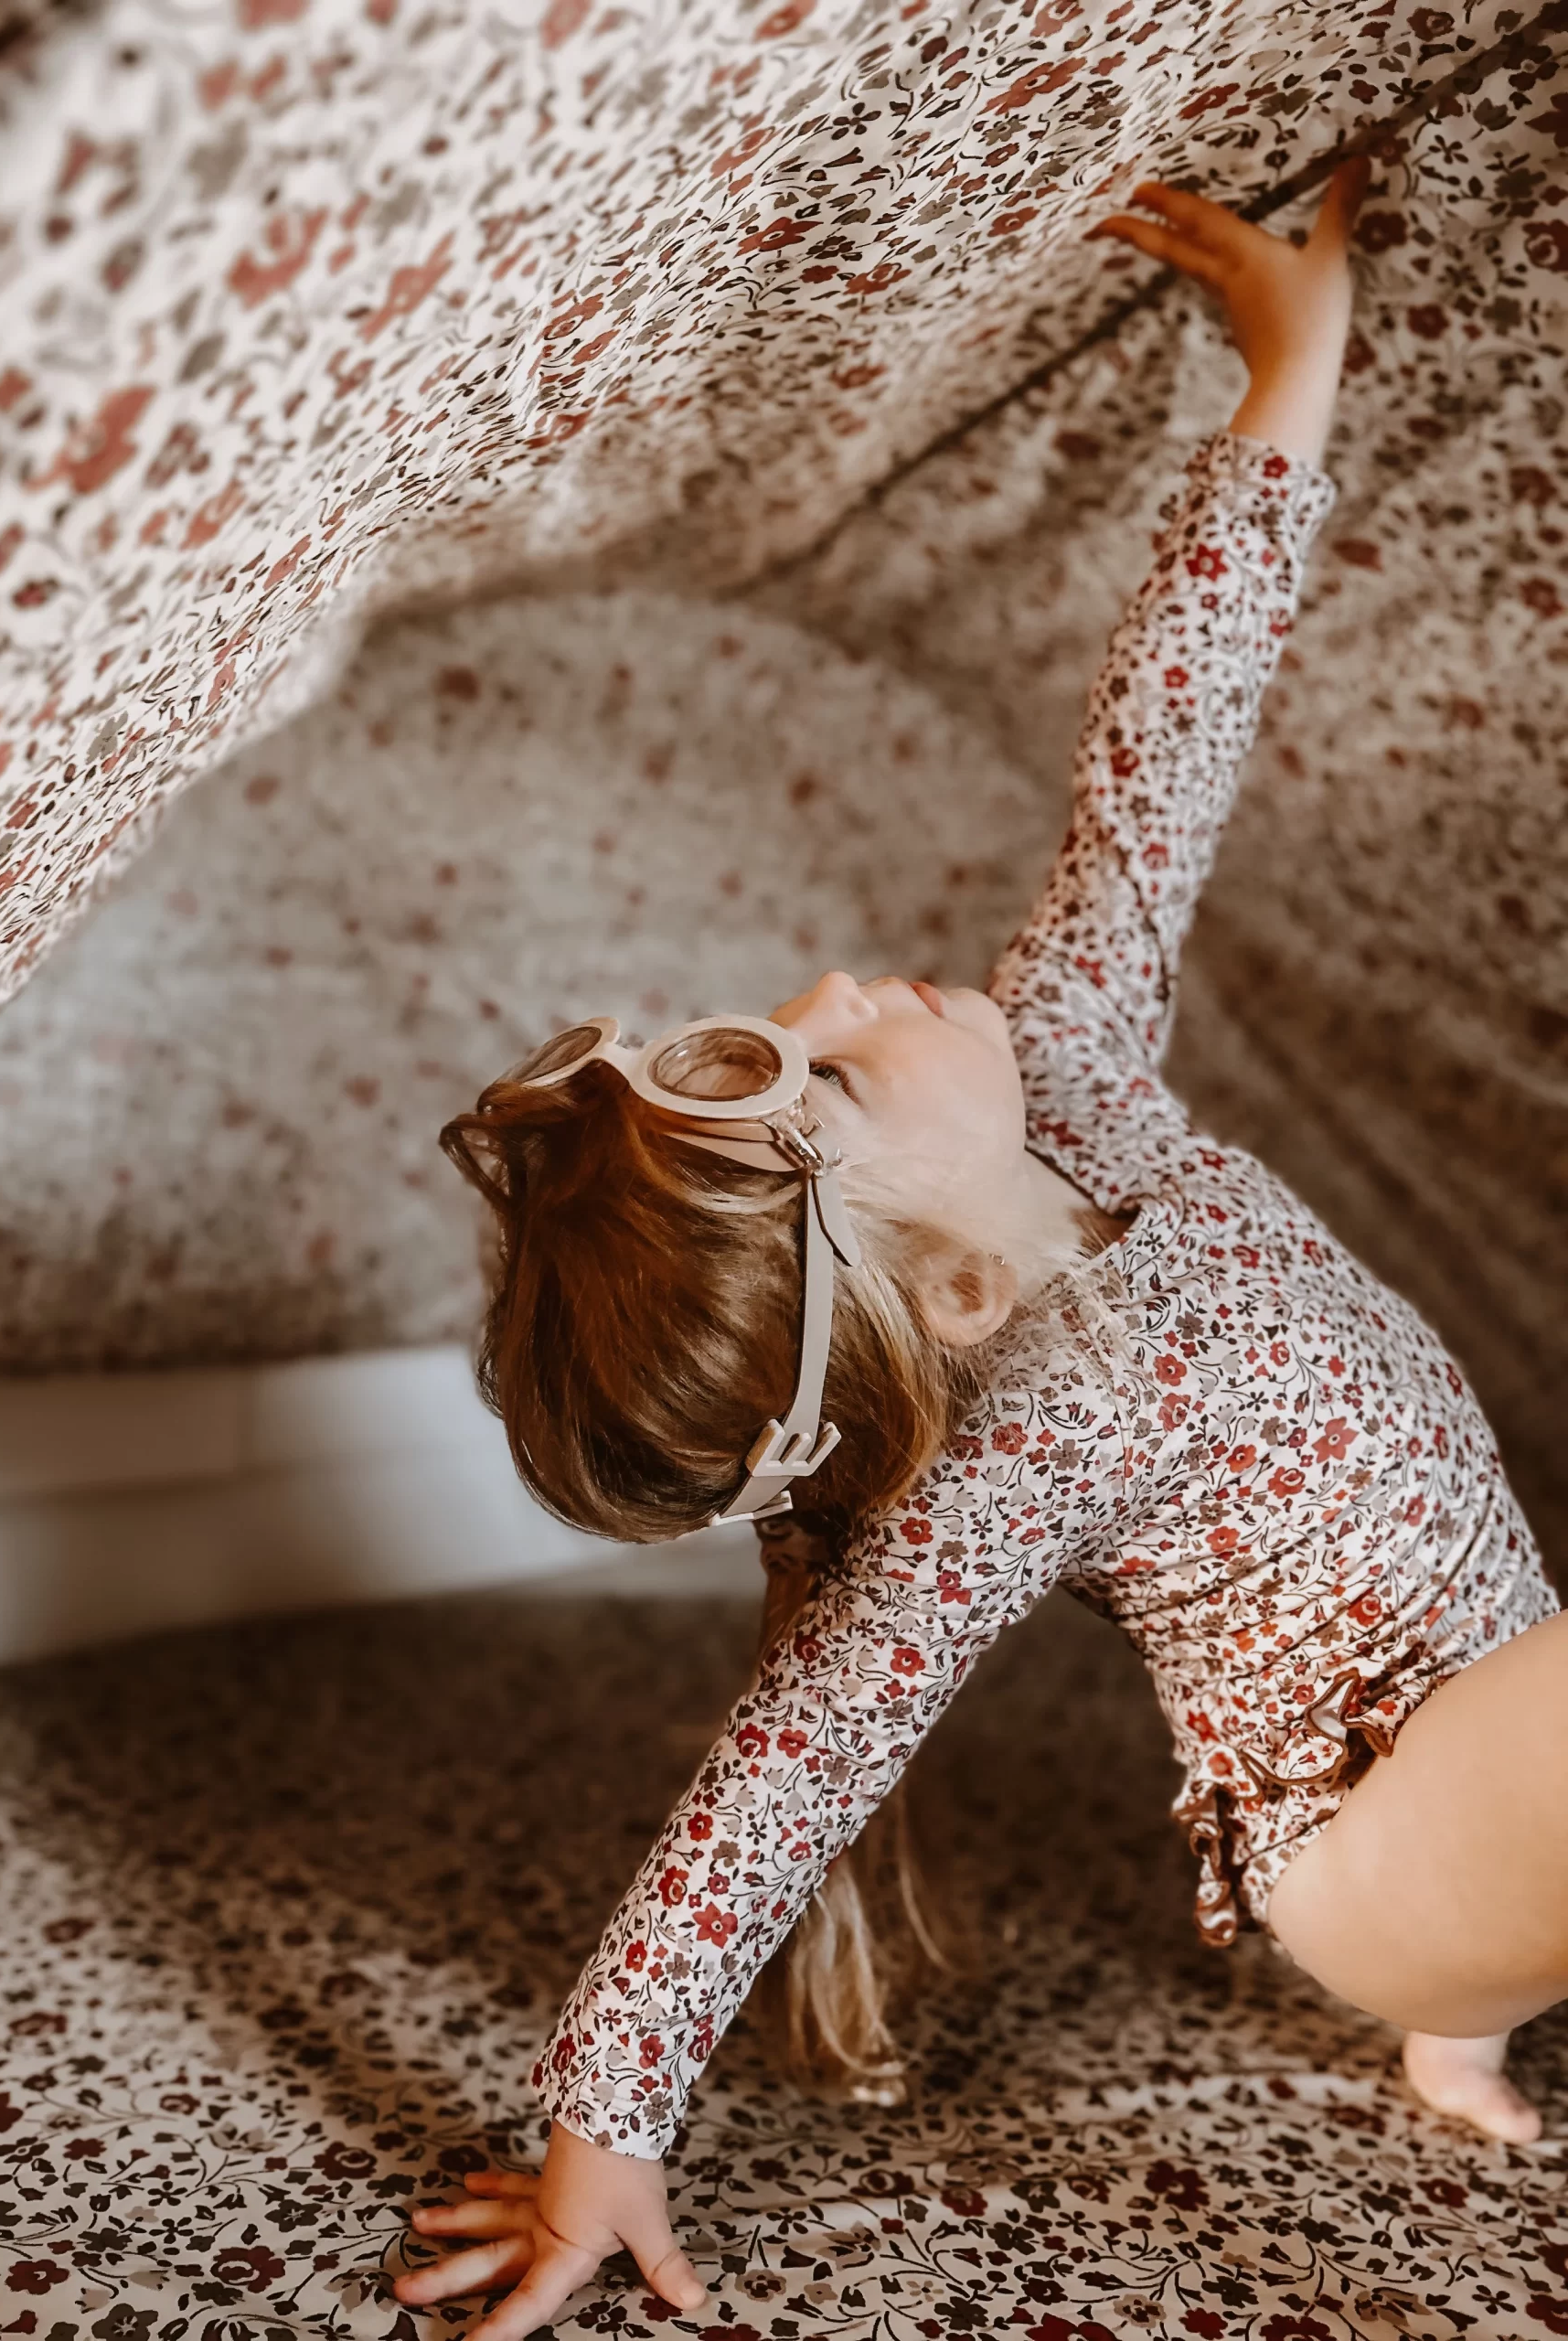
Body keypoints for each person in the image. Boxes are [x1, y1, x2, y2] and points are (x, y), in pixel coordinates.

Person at [396, 162, 1563, 2340]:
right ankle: (1452, 1989)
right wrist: (600, 2126)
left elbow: (1158, 757)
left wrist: (1288, 379)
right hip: (1377, 1840)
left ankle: (1465, 2032)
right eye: (828, 1070)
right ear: (946, 1293)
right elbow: (790, 1769)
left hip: (1501, 1741)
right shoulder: (1039, 1427)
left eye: (785, 1020)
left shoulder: (1077, 1065)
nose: (845, 984)